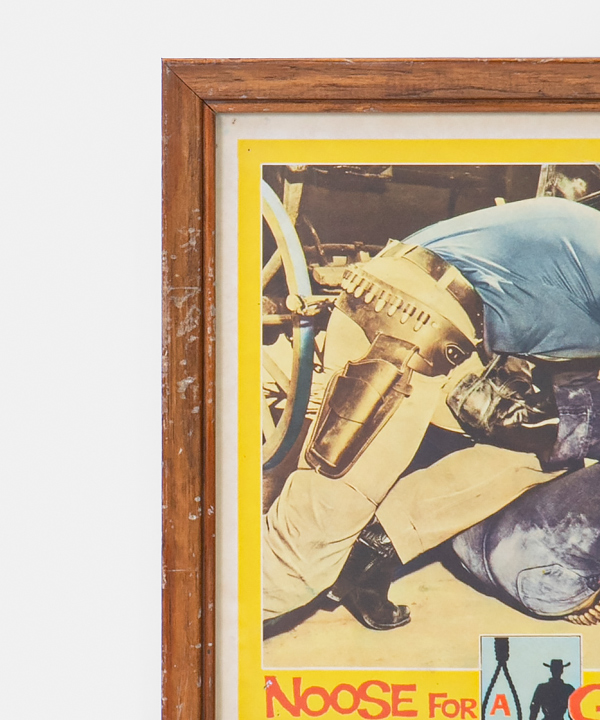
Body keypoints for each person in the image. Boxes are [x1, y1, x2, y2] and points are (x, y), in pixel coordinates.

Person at [262, 196, 600, 630]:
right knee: (305, 550)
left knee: (549, 444)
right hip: (416, 330)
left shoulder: (575, 227)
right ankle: (212, 621)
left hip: (398, 304)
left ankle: (374, 548)